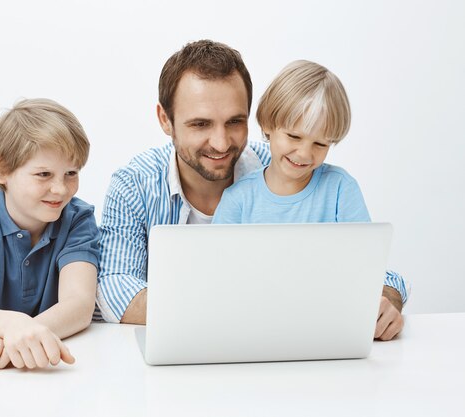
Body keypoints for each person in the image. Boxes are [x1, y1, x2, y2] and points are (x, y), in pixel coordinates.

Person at [96, 40, 407, 341]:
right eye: (201, 124)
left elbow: (378, 272)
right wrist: (230, 310)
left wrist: (384, 302)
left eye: (234, 121)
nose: (221, 143)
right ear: (166, 119)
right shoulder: (134, 185)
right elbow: (114, 285)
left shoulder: (288, 167)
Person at [212, 60, 407, 340]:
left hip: (328, 328)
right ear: (267, 125)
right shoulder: (237, 200)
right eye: (293, 136)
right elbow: (220, 279)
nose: (304, 154)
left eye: (320, 143)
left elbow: (366, 270)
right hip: (253, 329)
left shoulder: (341, 190)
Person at [0, 98, 100, 371]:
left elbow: (80, 305)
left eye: (71, 173)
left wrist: (18, 338)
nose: (61, 189)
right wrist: (15, 327)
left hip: (48, 367)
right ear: (1, 169)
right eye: (44, 174)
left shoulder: (78, 218)